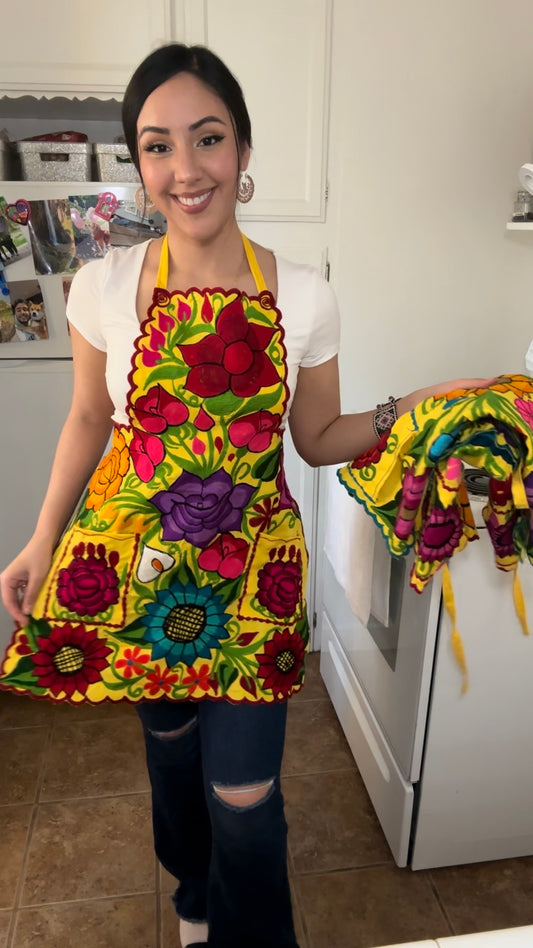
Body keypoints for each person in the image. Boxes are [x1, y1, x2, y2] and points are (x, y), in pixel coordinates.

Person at [0, 44, 490, 948]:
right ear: (139, 166)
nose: (185, 169)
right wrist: (41, 540)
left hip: (252, 576)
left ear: (244, 149)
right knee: (174, 756)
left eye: (207, 138)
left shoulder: (302, 295)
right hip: (141, 573)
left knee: (246, 793)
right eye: (157, 146)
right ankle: (193, 896)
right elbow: (85, 419)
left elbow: (316, 438)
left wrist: (411, 407)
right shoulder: (101, 285)